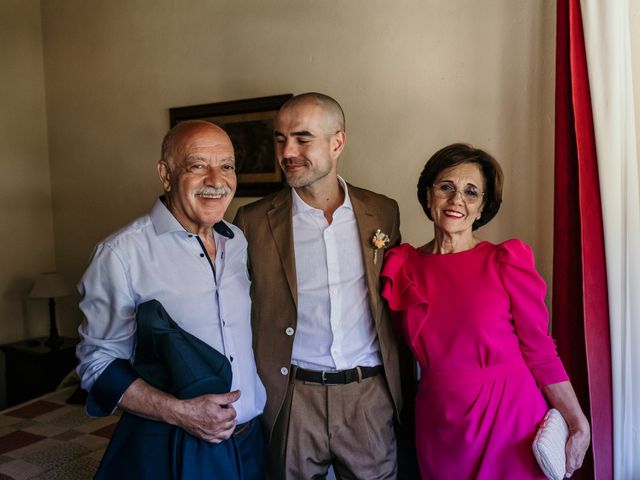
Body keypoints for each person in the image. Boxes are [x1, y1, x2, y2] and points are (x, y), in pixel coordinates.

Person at [380, 143, 591, 479]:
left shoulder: (506, 261)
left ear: (483, 207)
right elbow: (394, 352)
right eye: (446, 187)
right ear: (427, 194)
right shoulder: (402, 265)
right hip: (439, 424)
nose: (456, 201)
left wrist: (577, 420)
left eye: (471, 192)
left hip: (512, 422)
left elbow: (539, 350)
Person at [76, 120, 266, 479]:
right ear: (166, 174)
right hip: (176, 445)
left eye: (226, 166)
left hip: (251, 443)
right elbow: (96, 366)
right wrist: (181, 413)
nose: (216, 179)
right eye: (197, 166)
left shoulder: (237, 241)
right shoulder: (121, 254)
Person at [234, 93, 407, 479]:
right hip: (293, 396)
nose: (287, 151)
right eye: (280, 139)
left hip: (368, 394)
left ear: (337, 142)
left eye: (302, 138)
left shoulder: (382, 212)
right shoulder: (252, 220)